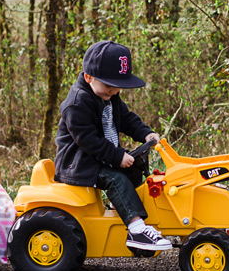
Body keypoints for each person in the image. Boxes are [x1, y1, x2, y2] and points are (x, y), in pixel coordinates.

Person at [54, 40, 172, 252]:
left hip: (100, 157)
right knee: (116, 178)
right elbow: (87, 140)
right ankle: (137, 229)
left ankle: (120, 209)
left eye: (118, 87)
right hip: (79, 162)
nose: (114, 92)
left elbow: (126, 119)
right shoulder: (77, 103)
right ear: (89, 77)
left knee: (135, 168)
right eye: (109, 86)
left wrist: (145, 134)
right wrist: (117, 156)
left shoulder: (109, 95)